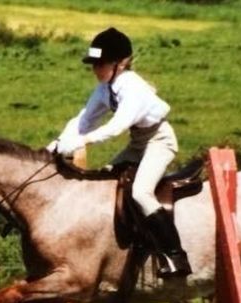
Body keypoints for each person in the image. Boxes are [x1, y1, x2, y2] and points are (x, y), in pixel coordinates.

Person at [49, 27, 189, 277]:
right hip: (138, 144)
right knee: (104, 179)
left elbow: (115, 128)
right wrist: (55, 145)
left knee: (141, 193)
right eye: (94, 64)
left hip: (159, 142)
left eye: (101, 64)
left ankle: (175, 255)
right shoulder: (106, 88)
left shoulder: (133, 88)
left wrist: (80, 142)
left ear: (120, 64)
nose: (95, 69)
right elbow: (83, 120)